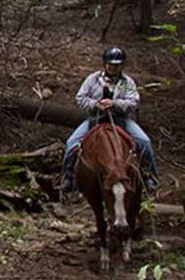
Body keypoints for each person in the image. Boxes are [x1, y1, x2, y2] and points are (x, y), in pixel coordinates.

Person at [61, 46, 159, 192]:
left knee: (144, 141)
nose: (113, 67)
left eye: (117, 65)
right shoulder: (92, 79)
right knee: (71, 143)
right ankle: (68, 177)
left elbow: (134, 101)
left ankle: (148, 175)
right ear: (105, 64)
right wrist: (96, 104)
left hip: (121, 119)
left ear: (122, 65)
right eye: (111, 64)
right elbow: (80, 98)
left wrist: (115, 104)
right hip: (96, 118)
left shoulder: (127, 82)